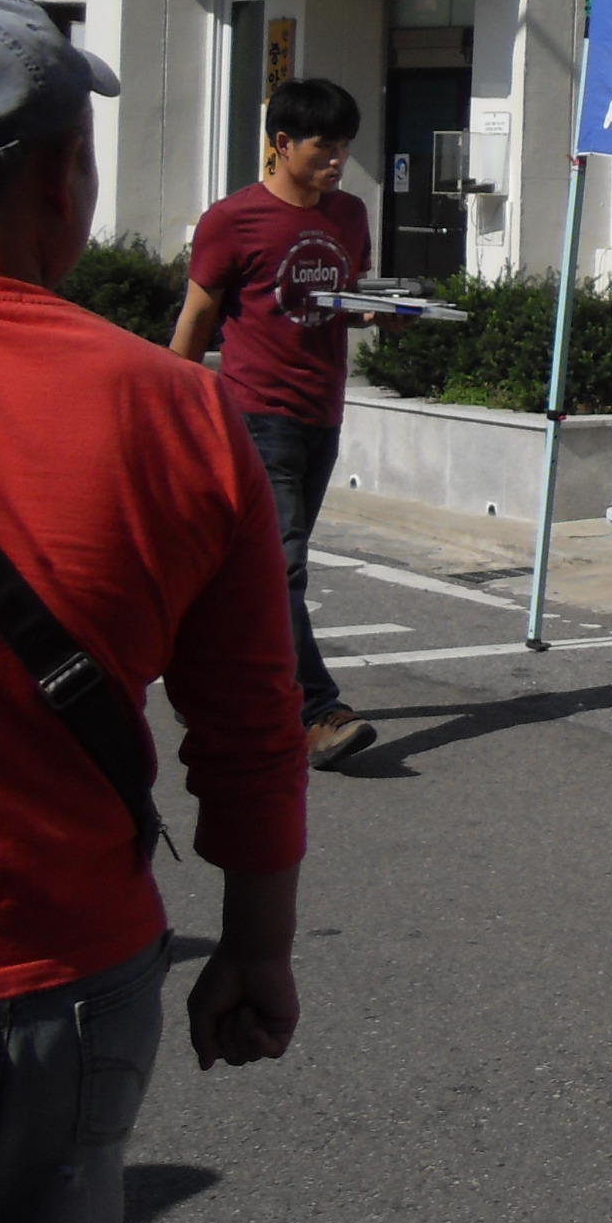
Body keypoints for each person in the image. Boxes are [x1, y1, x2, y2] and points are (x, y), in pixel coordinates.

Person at [0, 0, 310, 1223]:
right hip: (80, 983)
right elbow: (253, 726)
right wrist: (256, 948)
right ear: (62, 179)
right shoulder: (177, 411)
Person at [170, 76, 380, 769]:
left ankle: (207, 671)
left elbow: (341, 301)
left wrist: (378, 312)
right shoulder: (233, 220)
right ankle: (318, 713)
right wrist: (169, 409)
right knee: (283, 568)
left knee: (258, 571)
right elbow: (197, 320)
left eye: (346, 145)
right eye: (324, 146)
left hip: (323, 413)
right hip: (257, 415)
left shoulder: (349, 215)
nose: (338, 159)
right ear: (282, 143)